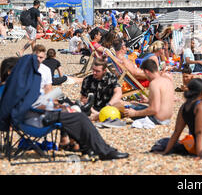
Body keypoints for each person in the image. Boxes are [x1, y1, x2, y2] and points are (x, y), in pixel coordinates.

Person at [0, 52, 129, 160]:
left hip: (33, 118)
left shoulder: (10, 89)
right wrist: (54, 107)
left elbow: (27, 105)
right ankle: (103, 151)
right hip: (37, 121)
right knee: (79, 117)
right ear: (10, 71)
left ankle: (91, 148)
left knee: (76, 114)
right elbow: (30, 105)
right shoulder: (14, 89)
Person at [162, 79, 202, 159]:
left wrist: (166, 151)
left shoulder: (184, 107)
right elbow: (200, 132)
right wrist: (200, 155)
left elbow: (177, 132)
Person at [123, 59, 175, 125]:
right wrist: (148, 101)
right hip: (167, 119)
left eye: (144, 73)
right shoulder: (167, 81)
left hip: (157, 119)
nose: (145, 77)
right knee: (135, 104)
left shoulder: (154, 83)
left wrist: (134, 113)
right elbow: (164, 101)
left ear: (147, 71)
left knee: (128, 107)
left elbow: (154, 109)